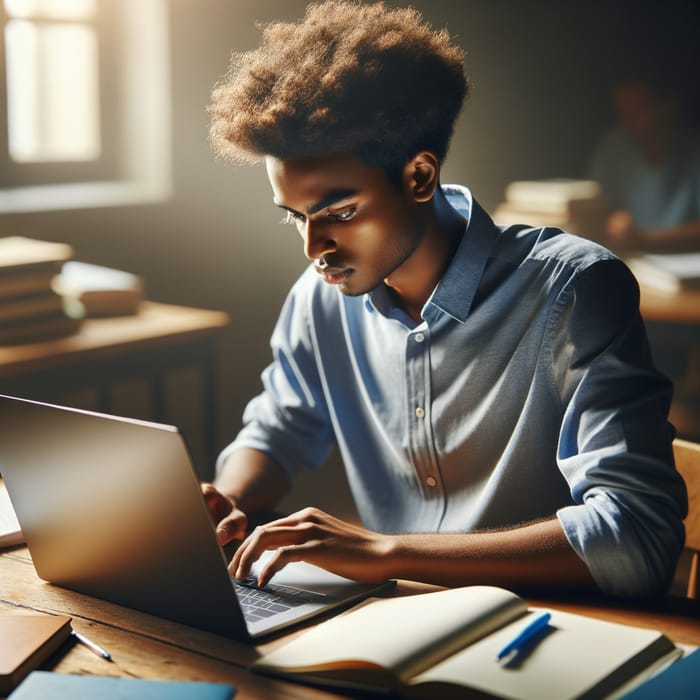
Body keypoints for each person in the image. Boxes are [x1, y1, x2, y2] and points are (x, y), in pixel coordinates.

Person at [205, 0, 687, 599]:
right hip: (398, 623)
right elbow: (277, 429)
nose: (313, 246)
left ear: (420, 177)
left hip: (559, 632)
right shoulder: (321, 300)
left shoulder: (574, 291)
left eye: (339, 213)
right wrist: (229, 498)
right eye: (295, 217)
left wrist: (387, 553)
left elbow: (637, 535)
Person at [590, 76, 700, 251]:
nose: (629, 121)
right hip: (628, 263)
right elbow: (589, 210)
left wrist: (646, 239)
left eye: (638, 110)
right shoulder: (613, 147)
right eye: (623, 112)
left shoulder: (694, 150)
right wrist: (611, 223)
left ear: (666, 106)